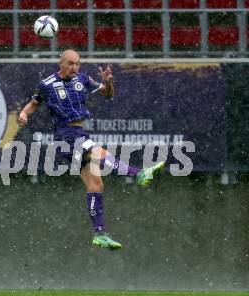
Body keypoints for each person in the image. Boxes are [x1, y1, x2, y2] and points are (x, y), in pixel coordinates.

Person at [18, 49, 164, 250]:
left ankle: (100, 234)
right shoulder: (47, 84)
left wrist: (108, 82)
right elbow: (33, 103)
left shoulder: (82, 79)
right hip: (66, 135)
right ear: (61, 63)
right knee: (99, 152)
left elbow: (108, 94)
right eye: (70, 63)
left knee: (96, 184)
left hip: (79, 133)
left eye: (77, 63)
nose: (74, 67)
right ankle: (138, 174)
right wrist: (24, 114)